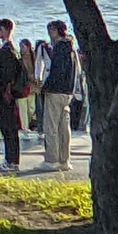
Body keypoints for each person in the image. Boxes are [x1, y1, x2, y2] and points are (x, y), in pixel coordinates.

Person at [40, 19, 78, 172]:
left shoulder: (59, 47)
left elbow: (57, 70)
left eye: (51, 31)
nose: (50, 35)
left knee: (51, 126)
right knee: (64, 127)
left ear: (56, 31)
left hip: (55, 91)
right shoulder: (71, 48)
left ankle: (52, 159)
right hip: (67, 92)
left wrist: (46, 86)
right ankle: (64, 159)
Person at [0, 17, 25, 171]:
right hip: (7, 93)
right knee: (9, 128)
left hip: (5, 95)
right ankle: (11, 160)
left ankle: (11, 161)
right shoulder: (12, 49)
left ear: (6, 30)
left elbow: (7, 75)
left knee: (8, 127)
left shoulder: (7, 51)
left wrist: (2, 89)